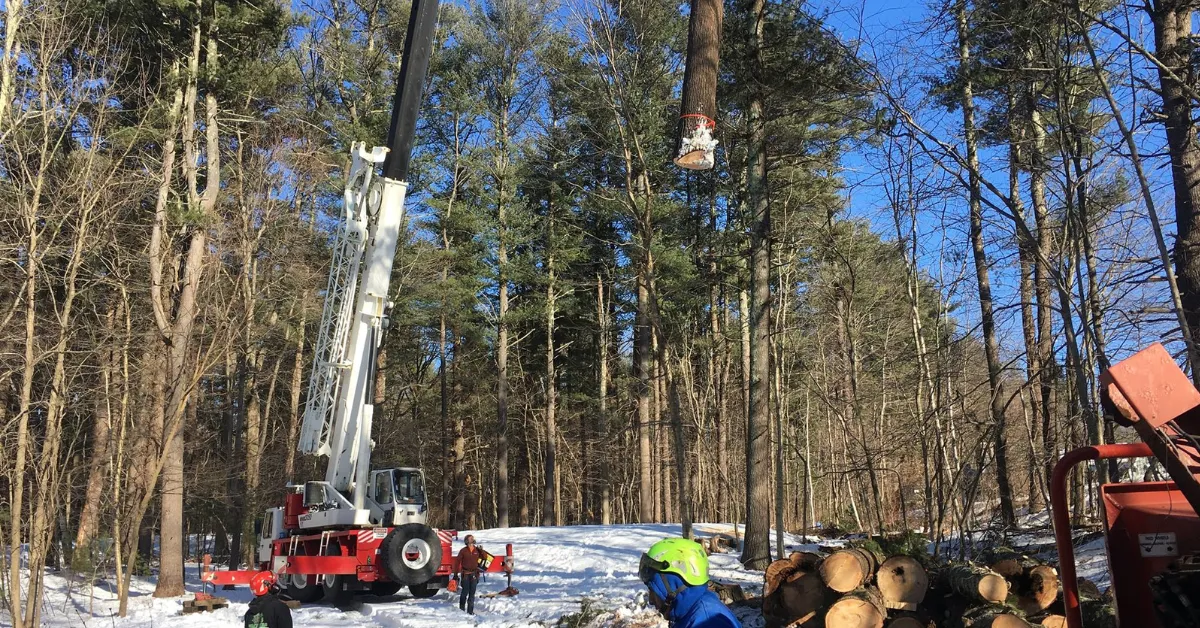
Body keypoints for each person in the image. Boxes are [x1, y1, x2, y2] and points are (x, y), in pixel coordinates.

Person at [638, 538, 740, 628]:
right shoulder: (689, 611)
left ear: (675, 583)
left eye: (654, 590)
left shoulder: (708, 622)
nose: (651, 600)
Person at [454, 534, 483, 615]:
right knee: (464, 592)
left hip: (474, 574)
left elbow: (484, 558)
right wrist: (455, 574)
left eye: (473, 538)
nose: (472, 539)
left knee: (472, 593)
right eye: (470, 538)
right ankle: (461, 609)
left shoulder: (477, 550)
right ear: (467, 541)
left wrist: (482, 551)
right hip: (465, 574)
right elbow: (457, 562)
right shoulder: (463, 551)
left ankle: (470, 611)